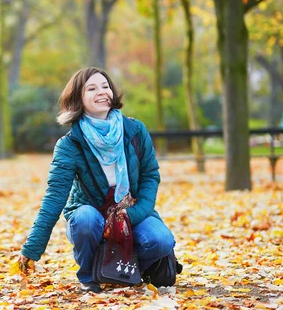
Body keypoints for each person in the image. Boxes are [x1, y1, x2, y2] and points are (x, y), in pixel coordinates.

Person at [18, 67, 176, 293]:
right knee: (85, 220)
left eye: (105, 86)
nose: (102, 92)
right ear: (78, 99)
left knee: (161, 241)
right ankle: (90, 276)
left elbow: (150, 174)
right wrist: (32, 248)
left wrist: (132, 214)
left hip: (131, 208)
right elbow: (55, 197)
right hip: (92, 214)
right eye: (91, 88)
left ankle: (125, 272)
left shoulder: (134, 130)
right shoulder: (70, 145)